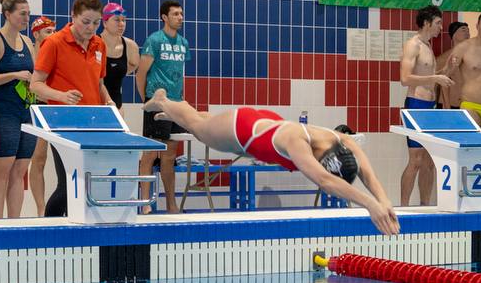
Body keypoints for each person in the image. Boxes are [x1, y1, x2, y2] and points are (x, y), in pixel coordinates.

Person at [142, 89, 400, 235]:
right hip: (243, 130)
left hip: (266, 122)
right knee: (198, 129)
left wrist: (383, 200)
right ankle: (164, 100)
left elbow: (366, 169)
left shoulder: (340, 139)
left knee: (203, 122)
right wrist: (369, 204)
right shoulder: (297, 144)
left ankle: (180, 112)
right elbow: (324, 180)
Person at [30, 0, 114, 218]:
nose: (90, 28)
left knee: (89, 183)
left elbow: (98, 84)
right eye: (86, 22)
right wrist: (61, 96)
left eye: (96, 23)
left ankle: (81, 229)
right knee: (69, 184)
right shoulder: (54, 43)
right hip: (63, 122)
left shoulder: (99, 45)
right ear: (73, 16)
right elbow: (35, 85)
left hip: (94, 123)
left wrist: (109, 101)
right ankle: (50, 230)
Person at [0, 0, 36, 219]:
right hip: (4, 112)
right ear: (7, 14)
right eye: (22, 13)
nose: (27, 18)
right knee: (2, 169)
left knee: (20, 171)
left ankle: (15, 222)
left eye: (28, 13)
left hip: (27, 111)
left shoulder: (28, 42)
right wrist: (14, 74)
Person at [398, 5, 454, 207]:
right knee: (416, 160)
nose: (441, 27)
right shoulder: (413, 45)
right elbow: (405, 78)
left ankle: (425, 205)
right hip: (415, 105)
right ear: (427, 23)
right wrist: (436, 76)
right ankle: (403, 207)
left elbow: (431, 80)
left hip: (429, 106)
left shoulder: (428, 46)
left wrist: (448, 69)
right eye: (438, 23)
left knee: (429, 161)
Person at [137, 0, 189, 213]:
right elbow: (141, 73)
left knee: (169, 156)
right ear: (164, 17)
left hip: (175, 105)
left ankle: (171, 204)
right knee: (150, 154)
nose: (180, 17)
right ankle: (146, 204)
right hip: (156, 103)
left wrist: (183, 98)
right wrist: (146, 101)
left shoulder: (184, 43)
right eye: (175, 14)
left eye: (181, 14)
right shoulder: (154, 41)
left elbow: (180, 75)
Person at [26, 16, 55, 217]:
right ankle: (40, 208)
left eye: (53, 31)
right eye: (47, 31)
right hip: (35, 107)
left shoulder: (56, 50)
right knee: (38, 159)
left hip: (52, 106)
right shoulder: (29, 53)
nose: (52, 35)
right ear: (36, 34)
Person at [101, 2, 140, 109]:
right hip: (93, 103)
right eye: (117, 19)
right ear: (105, 22)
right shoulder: (94, 44)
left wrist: (116, 71)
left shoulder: (131, 46)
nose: (121, 24)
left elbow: (134, 65)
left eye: (124, 20)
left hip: (117, 104)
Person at [438, 21, 469, 109]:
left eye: (468, 30)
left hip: (465, 105)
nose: (467, 33)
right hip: (449, 105)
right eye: (463, 30)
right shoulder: (444, 58)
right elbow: (438, 83)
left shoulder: (470, 57)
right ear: (454, 34)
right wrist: (447, 107)